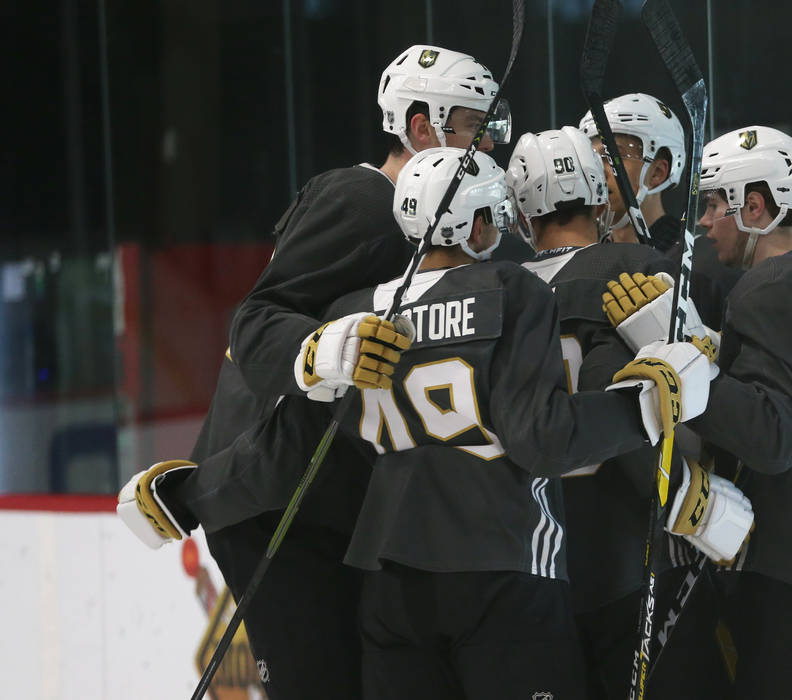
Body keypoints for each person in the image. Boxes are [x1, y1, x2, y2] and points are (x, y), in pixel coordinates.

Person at [115, 44, 515, 699]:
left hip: (334, 508)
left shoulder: (440, 221)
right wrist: (326, 351)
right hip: (278, 508)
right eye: (478, 125)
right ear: (422, 128)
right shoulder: (365, 200)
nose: (493, 143)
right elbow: (256, 322)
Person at [317, 146, 714, 699]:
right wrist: (645, 405)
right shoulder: (506, 287)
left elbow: (349, 434)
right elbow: (542, 435)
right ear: (476, 223)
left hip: (387, 569)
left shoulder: (351, 313)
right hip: (509, 556)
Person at [604, 125, 792, 699]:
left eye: (716, 204)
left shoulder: (769, 284)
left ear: (756, 206)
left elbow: (775, 436)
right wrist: (710, 349)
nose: (703, 221)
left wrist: (686, 376)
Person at [508, 126, 749, 699]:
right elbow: (655, 398)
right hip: (634, 546)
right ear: (598, 197)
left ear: (520, 213)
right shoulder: (633, 264)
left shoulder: (501, 289)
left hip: (535, 560)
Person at [579, 92, 741, 330]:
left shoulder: (703, 267)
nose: (597, 171)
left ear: (658, 173)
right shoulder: (586, 265)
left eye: (613, 155)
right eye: (592, 158)